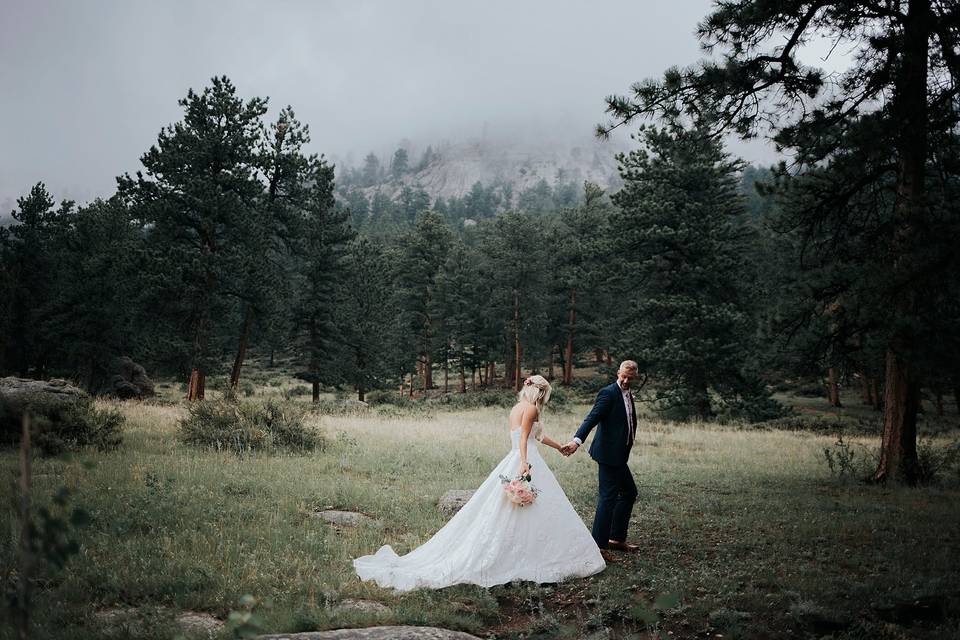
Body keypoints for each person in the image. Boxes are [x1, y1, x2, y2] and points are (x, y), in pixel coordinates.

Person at [353, 375, 605, 590]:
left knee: (518, 512)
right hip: (523, 460)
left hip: (517, 458)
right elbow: (525, 439)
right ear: (540, 392)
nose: (544, 398)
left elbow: (536, 436)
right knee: (533, 509)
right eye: (545, 393)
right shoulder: (531, 409)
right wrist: (525, 463)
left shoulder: (517, 408)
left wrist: (559, 446)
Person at [561, 360, 640, 553]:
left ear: (635, 377)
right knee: (608, 497)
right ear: (618, 373)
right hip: (608, 454)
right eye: (623, 376)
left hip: (620, 455)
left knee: (629, 492)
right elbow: (592, 418)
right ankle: (599, 546)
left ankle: (615, 538)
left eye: (630, 378)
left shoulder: (628, 394)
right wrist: (576, 441)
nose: (626, 380)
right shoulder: (608, 393)